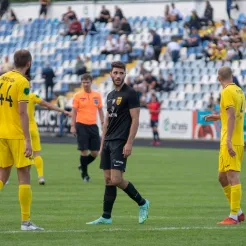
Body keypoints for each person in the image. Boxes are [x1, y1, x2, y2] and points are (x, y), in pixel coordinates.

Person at [86, 61, 149, 225]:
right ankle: (106, 216)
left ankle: (142, 203)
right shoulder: (110, 95)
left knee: (116, 179)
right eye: (115, 73)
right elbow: (107, 120)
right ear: (111, 74)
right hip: (107, 142)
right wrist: (101, 145)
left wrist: (129, 143)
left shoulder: (131, 94)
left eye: (121, 73)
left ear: (125, 75)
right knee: (107, 179)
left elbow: (135, 120)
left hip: (120, 142)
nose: (118, 76)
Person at [0, 49, 43, 231]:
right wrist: (27, 140)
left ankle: (26, 222)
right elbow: (23, 112)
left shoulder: (2, 78)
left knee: (2, 175)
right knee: (24, 175)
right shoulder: (23, 82)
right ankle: (26, 222)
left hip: (1, 133)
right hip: (17, 135)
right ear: (29, 63)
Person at [205, 66, 245, 225]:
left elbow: (232, 116)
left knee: (233, 177)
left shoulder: (226, 92)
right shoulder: (239, 91)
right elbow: (232, 114)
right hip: (230, 139)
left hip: (231, 140)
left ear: (218, 78)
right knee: (222, 177)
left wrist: (228, 140)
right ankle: (239, 212)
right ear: (232, 76)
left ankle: (233, 216)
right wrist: (217, 116)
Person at [28, 92, 71, 185]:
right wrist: (63, 111)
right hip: (32, 128)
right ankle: (40, 176)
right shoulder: (31, 96)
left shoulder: (14, 96)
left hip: (20, 129)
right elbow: (47, 105)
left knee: (16, 155)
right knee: (36, 154)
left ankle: (6, 178)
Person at [70, 73, 104, 182]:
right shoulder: (77, 96)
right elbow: (74, 112)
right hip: (81, 125)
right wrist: (73, 126)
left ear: (91, 82)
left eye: (87, 82)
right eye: (83, 82)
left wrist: (103, 123)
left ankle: (82, 165)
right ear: (81, 83)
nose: (85, 84)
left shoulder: (97, 95)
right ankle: (85, 175)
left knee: (95, 152)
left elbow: (100, 110)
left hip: (93, 125)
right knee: (84, 151)